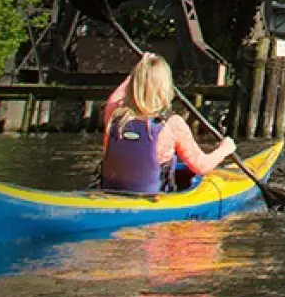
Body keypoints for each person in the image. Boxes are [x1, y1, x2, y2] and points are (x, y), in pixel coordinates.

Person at [100, 53, 236, 194]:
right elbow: (201, 166)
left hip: (110, 194)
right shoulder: (172, 124)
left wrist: (142, 69)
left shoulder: (115, 116)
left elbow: (114, 97)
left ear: (134, 83)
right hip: (152, 200)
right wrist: (224, 149)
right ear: (166, 87)